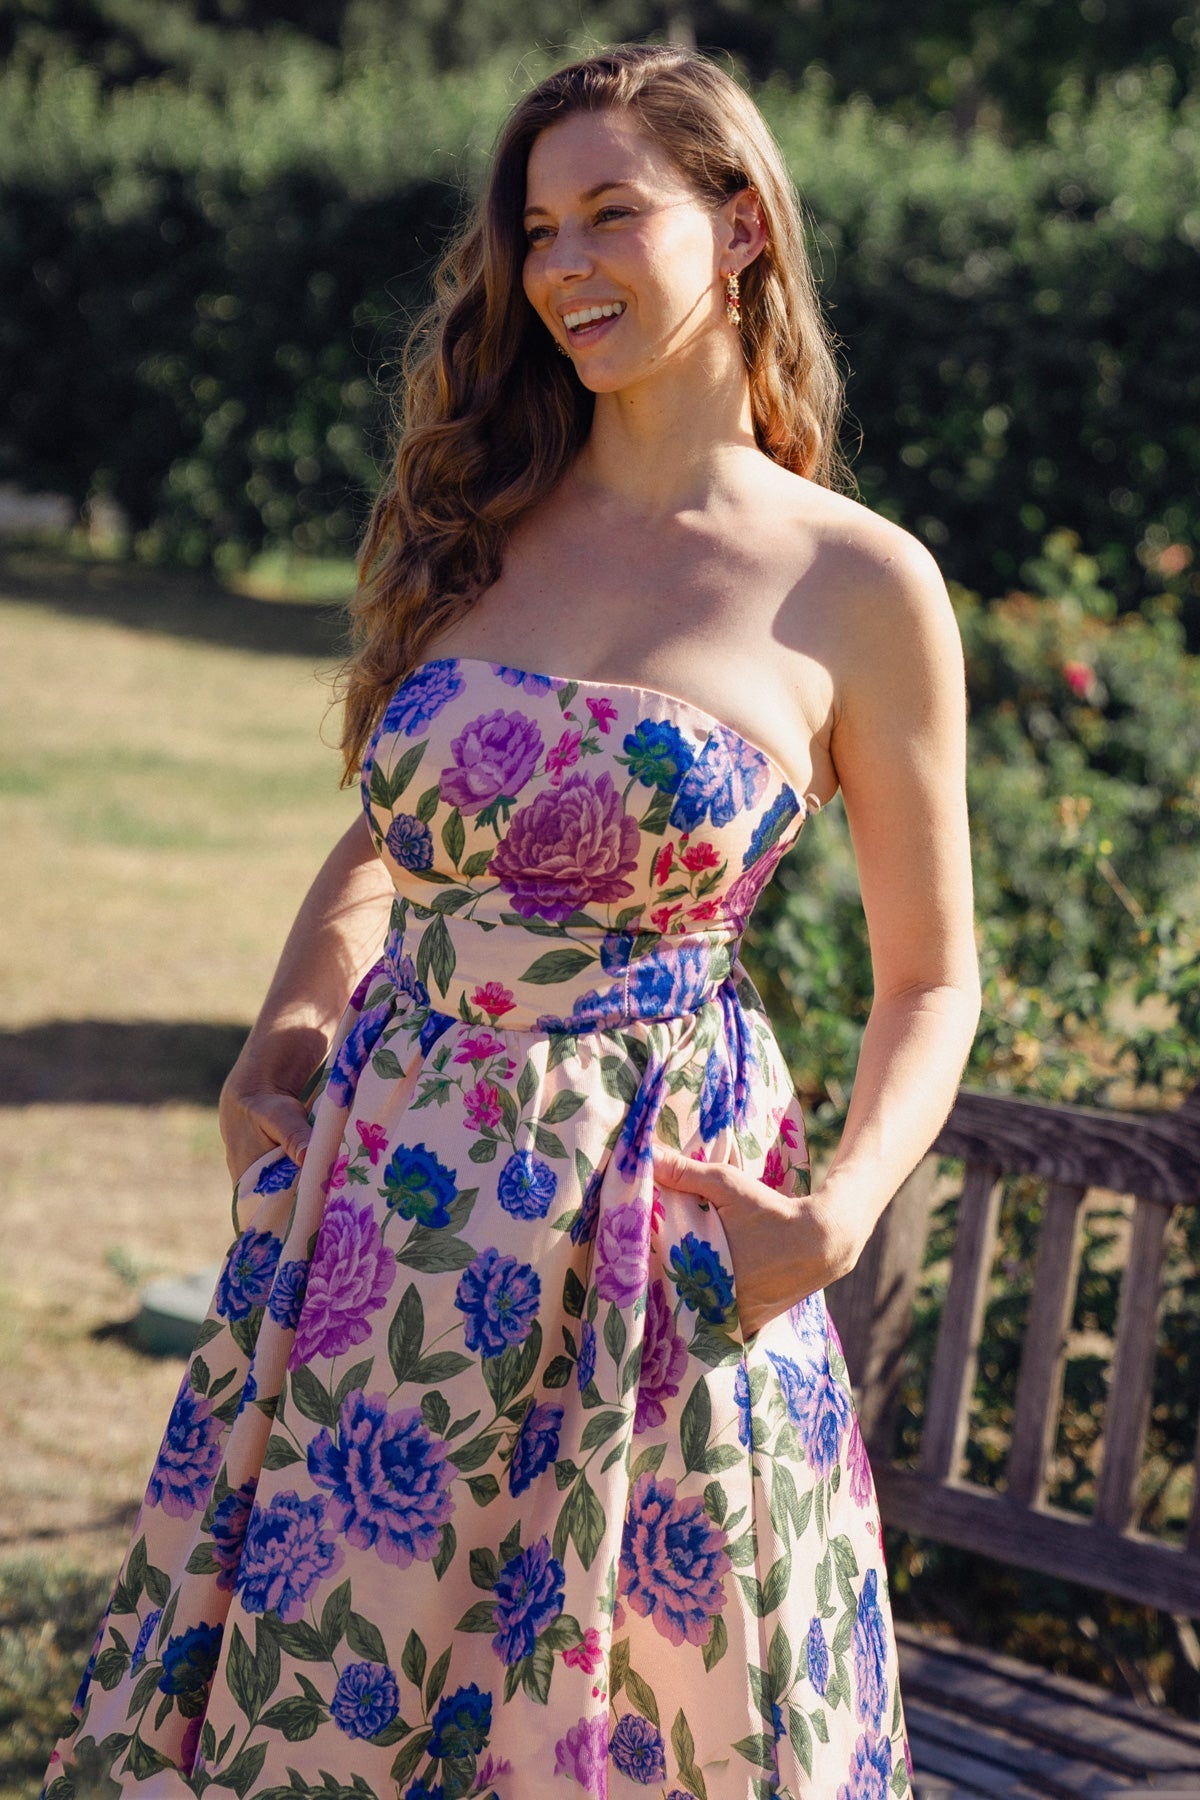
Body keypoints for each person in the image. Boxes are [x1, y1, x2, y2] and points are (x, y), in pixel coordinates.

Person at [45, 42, 979, 1800]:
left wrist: (837, 1215)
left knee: (628, 1724)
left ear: (745, 224)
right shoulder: (482, 513)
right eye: (537, 226)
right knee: (341, 1706)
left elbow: (935, 977)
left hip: (653, 1250)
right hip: (384, 1232)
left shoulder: (860, 583)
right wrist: (288, 1018)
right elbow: (399, 835)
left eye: (612, 212)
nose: (560, 266)